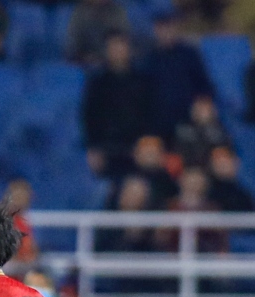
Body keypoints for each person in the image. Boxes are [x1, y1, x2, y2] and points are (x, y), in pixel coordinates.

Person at [81, 33, 153, 178]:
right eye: (113, 47)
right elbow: (89, 116)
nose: (118, 51)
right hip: (108, 148)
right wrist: (93, 147)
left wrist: (148, 143)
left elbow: (152, 113)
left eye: (121, 46)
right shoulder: (98, 83)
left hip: (138, 146)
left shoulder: (144, 81)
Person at [144, 11, 214, 141]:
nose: (166, 32)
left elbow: (204, 84)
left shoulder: (189, 54)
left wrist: (202, 103)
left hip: (189, 120)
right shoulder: (149, 59)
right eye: (161, 27)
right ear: (155, 30)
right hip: (159, 124)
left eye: (169, 27)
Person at [65, 0, 129, 67]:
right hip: (85, 63)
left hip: (111, 63)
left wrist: (105, 57)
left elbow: (122, 42)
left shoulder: (117, 11)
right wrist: (86, 58)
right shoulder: (79, 13)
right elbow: (72, 46)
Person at [207, 146, 254, 212]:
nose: (221, 164)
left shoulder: (243, 197)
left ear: (236, 162)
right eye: (217, 160)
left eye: (225, 159)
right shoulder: (206, 194)